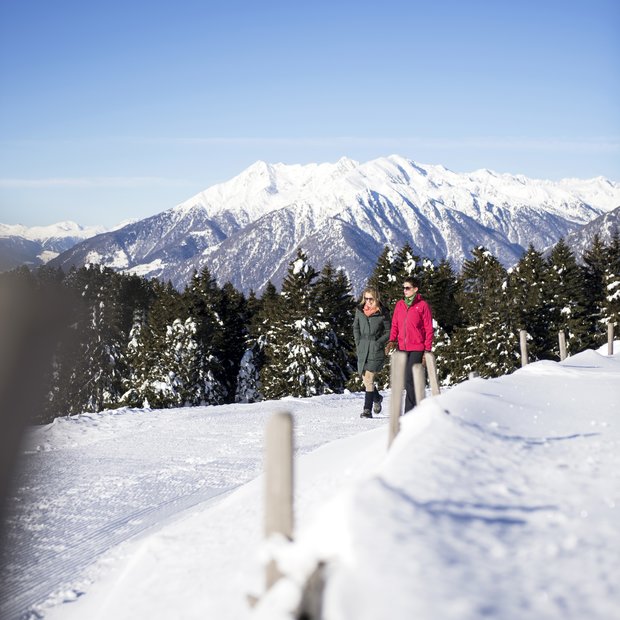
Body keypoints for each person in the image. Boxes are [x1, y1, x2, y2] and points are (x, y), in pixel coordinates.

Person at [385, 277, 434, 413]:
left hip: (417, 348)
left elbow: (429, 328)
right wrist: (392, 340)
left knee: (410, 379)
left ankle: (409, 412)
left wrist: (427, 350)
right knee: (406, 380)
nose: (404, 290)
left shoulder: (422, 305)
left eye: (407, 288)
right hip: (402, 347)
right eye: (404, 288)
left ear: (415, 289)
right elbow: (395, 324)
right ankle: (416, 408)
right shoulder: (400, 305)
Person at [353, 286, 391, 418]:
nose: (368, 302)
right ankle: (377, 398)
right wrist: (358, 342)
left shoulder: (383, 313)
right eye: (366, 298)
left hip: (375, 349)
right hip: (363, 348)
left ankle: (367, 410)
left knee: (369, 378)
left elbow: (389, 331)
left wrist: (379, 342)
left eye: (371, 299)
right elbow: (355, 327)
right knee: (365, 379)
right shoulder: (360, 311)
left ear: (376, 298)